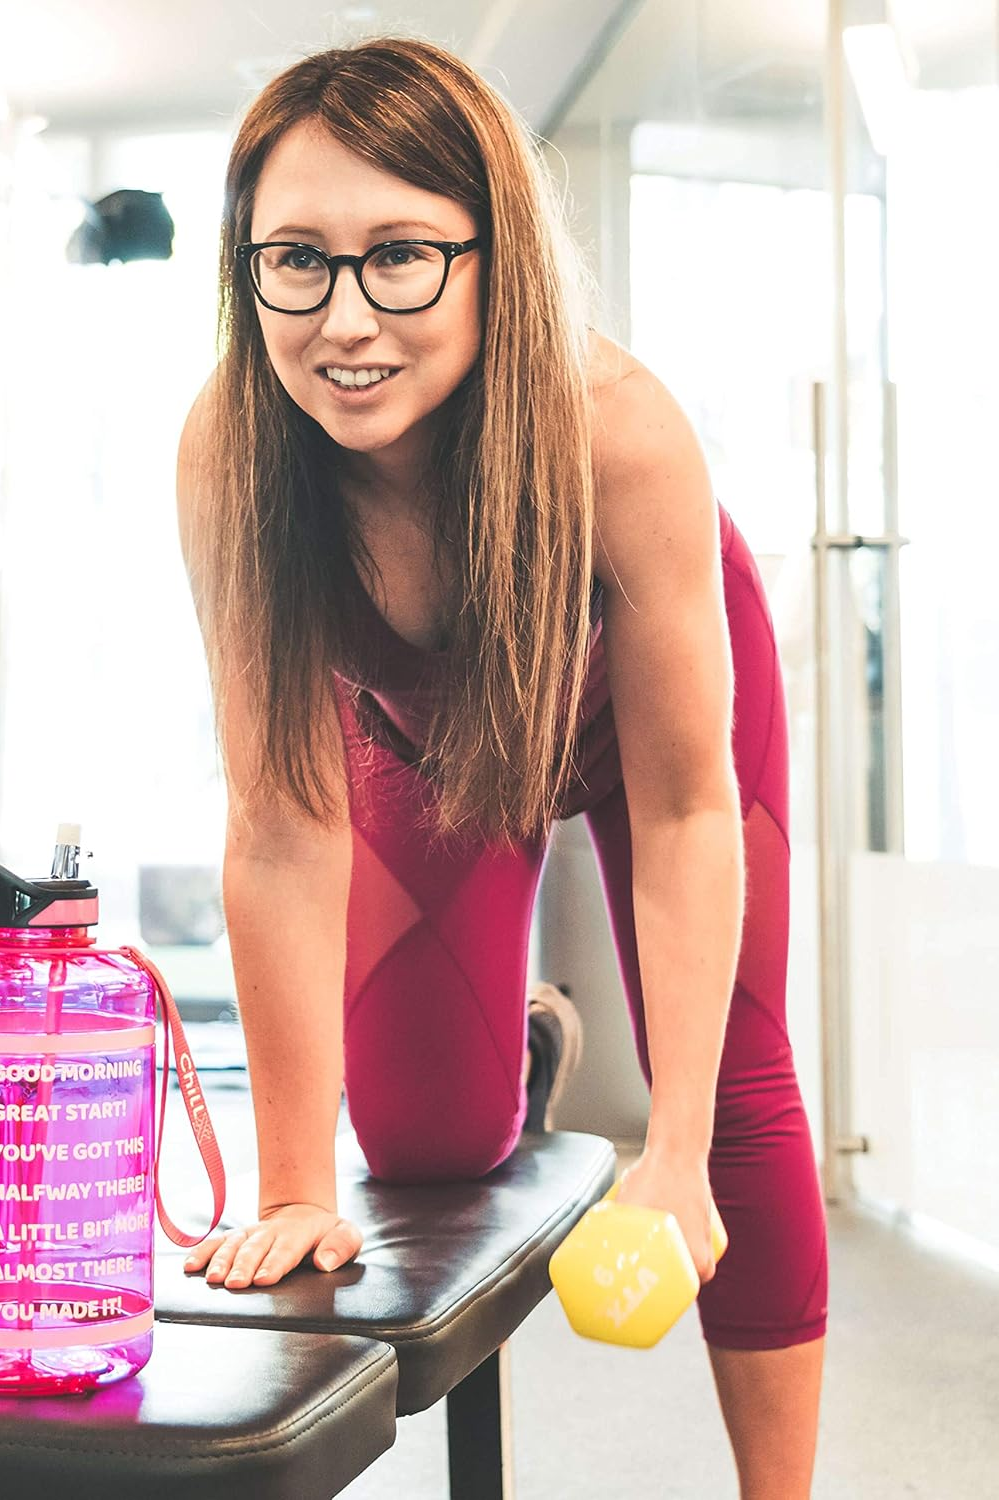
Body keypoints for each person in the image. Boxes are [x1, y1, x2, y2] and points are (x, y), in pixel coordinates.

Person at [174, 38, 826, 1499]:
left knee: (733, 1105)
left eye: (401, 255)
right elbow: (281, 825)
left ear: (492, 257)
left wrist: (666, 1148)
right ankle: (525, 1049)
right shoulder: (232, 450)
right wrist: (293, 1183)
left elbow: (680, 808)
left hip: (641, 730)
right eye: (298, 261)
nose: (347, 319)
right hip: (437, 737)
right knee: (414, 1143)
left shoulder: (618, 435)